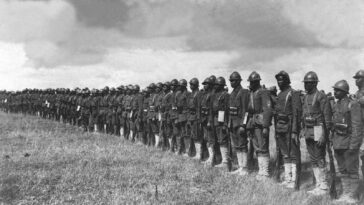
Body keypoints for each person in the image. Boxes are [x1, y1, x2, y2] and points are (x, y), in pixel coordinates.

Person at [301, 71, 332, 195]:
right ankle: (319, 184)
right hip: (308, 129)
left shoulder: (321, 96)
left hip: (319, 128)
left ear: (314, 83)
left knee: (320, 158)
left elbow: (327, 118)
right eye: (305, 83)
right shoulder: (305, 97)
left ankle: (324, 186)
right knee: (313, 158)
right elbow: (304, 114)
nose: (306, 85)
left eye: (308, 83)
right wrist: (302, 129)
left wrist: (324, 134)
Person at [331, 80, 361, 203]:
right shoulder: (335, 105)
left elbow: (357, 127)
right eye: (334, 89)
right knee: (342, 169)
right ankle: (346, 193)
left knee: (352, 170)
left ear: (344, 92)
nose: (335, 92)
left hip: (349, 143)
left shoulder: (352, 105)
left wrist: (353, 146)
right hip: (338, 142)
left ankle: (353, 196)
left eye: (337, 90)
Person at [274, 71, 302, 188]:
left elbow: (297, 114)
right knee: (285, 153)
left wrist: (295, 131)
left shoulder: (293, 93)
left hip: (290, 127)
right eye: (278, 80)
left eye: (281, 80)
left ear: (286, 80)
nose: (279, 82)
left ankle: (294, 180)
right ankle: (288, 178)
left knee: (293, 154)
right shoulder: (280, 95)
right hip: (280, 127)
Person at [246, 71, 273, 180]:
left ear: (257, 82)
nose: (251, 84)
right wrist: (247, 125)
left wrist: (266, 126)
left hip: (261, 124)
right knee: (257, 147)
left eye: (253, 82)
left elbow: (267, 109)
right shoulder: (251, 93)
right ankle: (261, 171)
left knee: (263, 147)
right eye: (251, 82)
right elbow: (248, 111)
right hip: (253, 123)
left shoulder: (263, 92)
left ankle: (265, 172)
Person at [228, 71, 250, 175]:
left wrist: (243, 125)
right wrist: (229, 123)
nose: (231, 82)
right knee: (237, 146)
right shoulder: (232, 93)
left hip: (240, 124)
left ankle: (245, 168)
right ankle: (241, 166)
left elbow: (245, 111)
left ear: (238, 81)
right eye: (230, 80)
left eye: (233, 80)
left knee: (243, 145)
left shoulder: (244, 92)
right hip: (232, 123)